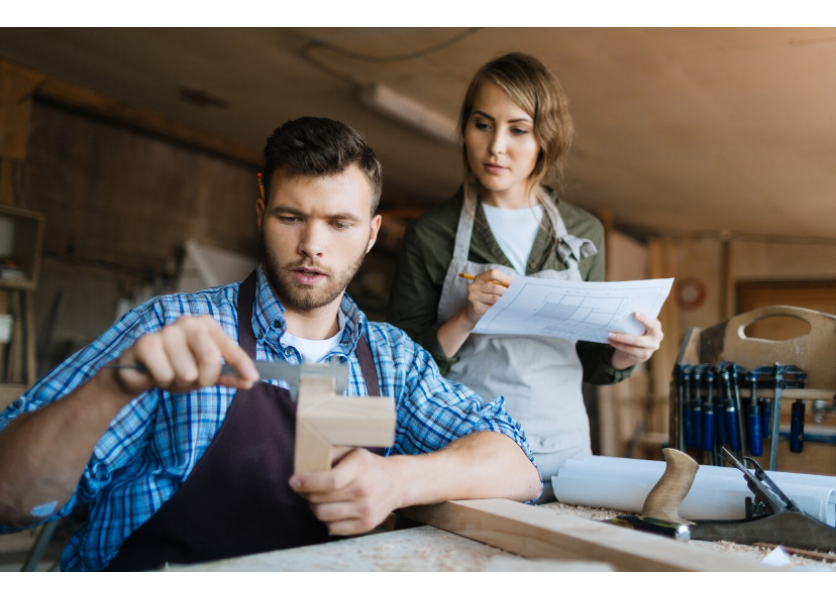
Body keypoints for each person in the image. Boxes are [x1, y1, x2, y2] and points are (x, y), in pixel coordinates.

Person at [0, 117, 541, 571]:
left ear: (372, 234)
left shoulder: (392, 361)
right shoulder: (169, 327)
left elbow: (518, 466)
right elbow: (11, 499)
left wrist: (398, 479)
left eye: (339, 223)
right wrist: (111, 387)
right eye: (291, 217)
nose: (312, 246)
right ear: (261, 215)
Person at [387, 52, 663, 492]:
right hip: (470, 448)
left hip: (567, 453)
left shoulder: (582, 231)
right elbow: (401, 364)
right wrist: (465, 318)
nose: (496, 146)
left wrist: (630, 352)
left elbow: (594, 361)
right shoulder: (431, 234)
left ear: (545, 139)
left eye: (518, 130)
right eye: (482, 125)